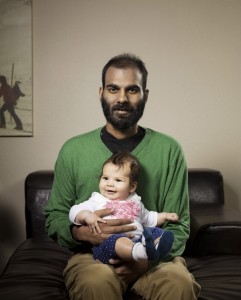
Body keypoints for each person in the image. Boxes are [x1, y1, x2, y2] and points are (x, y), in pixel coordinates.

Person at [45, 53, 201, 299]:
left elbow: (179, 225)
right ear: (101, 93)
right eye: (113, 89)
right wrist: (82, 232)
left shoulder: (169, 149)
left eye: (132, 90)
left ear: (145, 95)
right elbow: (54, 216)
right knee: (95, 282)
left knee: (179, 283)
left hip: (155, 258)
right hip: (93, 256)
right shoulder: (73, 149)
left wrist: (146, 261)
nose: (122, 98)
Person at [69, 151, 178, 264]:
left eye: (118, 180)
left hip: (138, 240)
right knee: (117, 240)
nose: (109, 184)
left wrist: (165, 216)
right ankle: (140, 253)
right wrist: (87, 216)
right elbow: (74, 210)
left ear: (131, 186)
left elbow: (148, 218)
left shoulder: (135, 201)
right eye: (105, 178)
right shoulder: (97, 199)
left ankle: (155, 246)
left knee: (155, 231)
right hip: (108, 245)